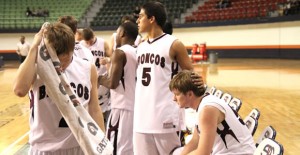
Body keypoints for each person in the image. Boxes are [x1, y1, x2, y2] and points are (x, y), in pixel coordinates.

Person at [13, 23, 105, 154]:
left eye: (66, 59)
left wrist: (101, 142)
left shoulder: (87, 68)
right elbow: (19, 90)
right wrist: (34, 47)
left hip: (79, 145)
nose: (61, 65)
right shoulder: (37, 67)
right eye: (58, 59)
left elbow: (95, 108)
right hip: (44, 148)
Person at [134, 2, 193, 155]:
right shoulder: (140, 46)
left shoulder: (174, 44)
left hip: (166, 116)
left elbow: (191, 74)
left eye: (140, 17)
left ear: (152, 19)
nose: (137, 21)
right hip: (141, 116)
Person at [169, 70, 255, 155]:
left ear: (190, 94)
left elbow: (203, 153)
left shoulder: (207, 110)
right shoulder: (204, 103)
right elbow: (195, 140)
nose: (174, 98)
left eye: (177, 94)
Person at [98, 22, 138, 155]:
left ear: (122, 33)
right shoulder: (137, 51)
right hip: (135, 107)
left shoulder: (119, 53)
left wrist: (97, 78)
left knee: (115, 148)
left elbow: (112, 83)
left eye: (117, 31)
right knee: (129, 148)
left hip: (122, 108)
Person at [80, 27, 111, 128]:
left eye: (91, 41)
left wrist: (107, 59)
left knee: (103, 111)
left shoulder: (103, 43)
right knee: (90, 111)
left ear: (94, 36)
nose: (89, 44)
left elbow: (112, 57)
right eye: (87, 42)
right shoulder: (80, 45)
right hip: (87, 81)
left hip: (101, 81)